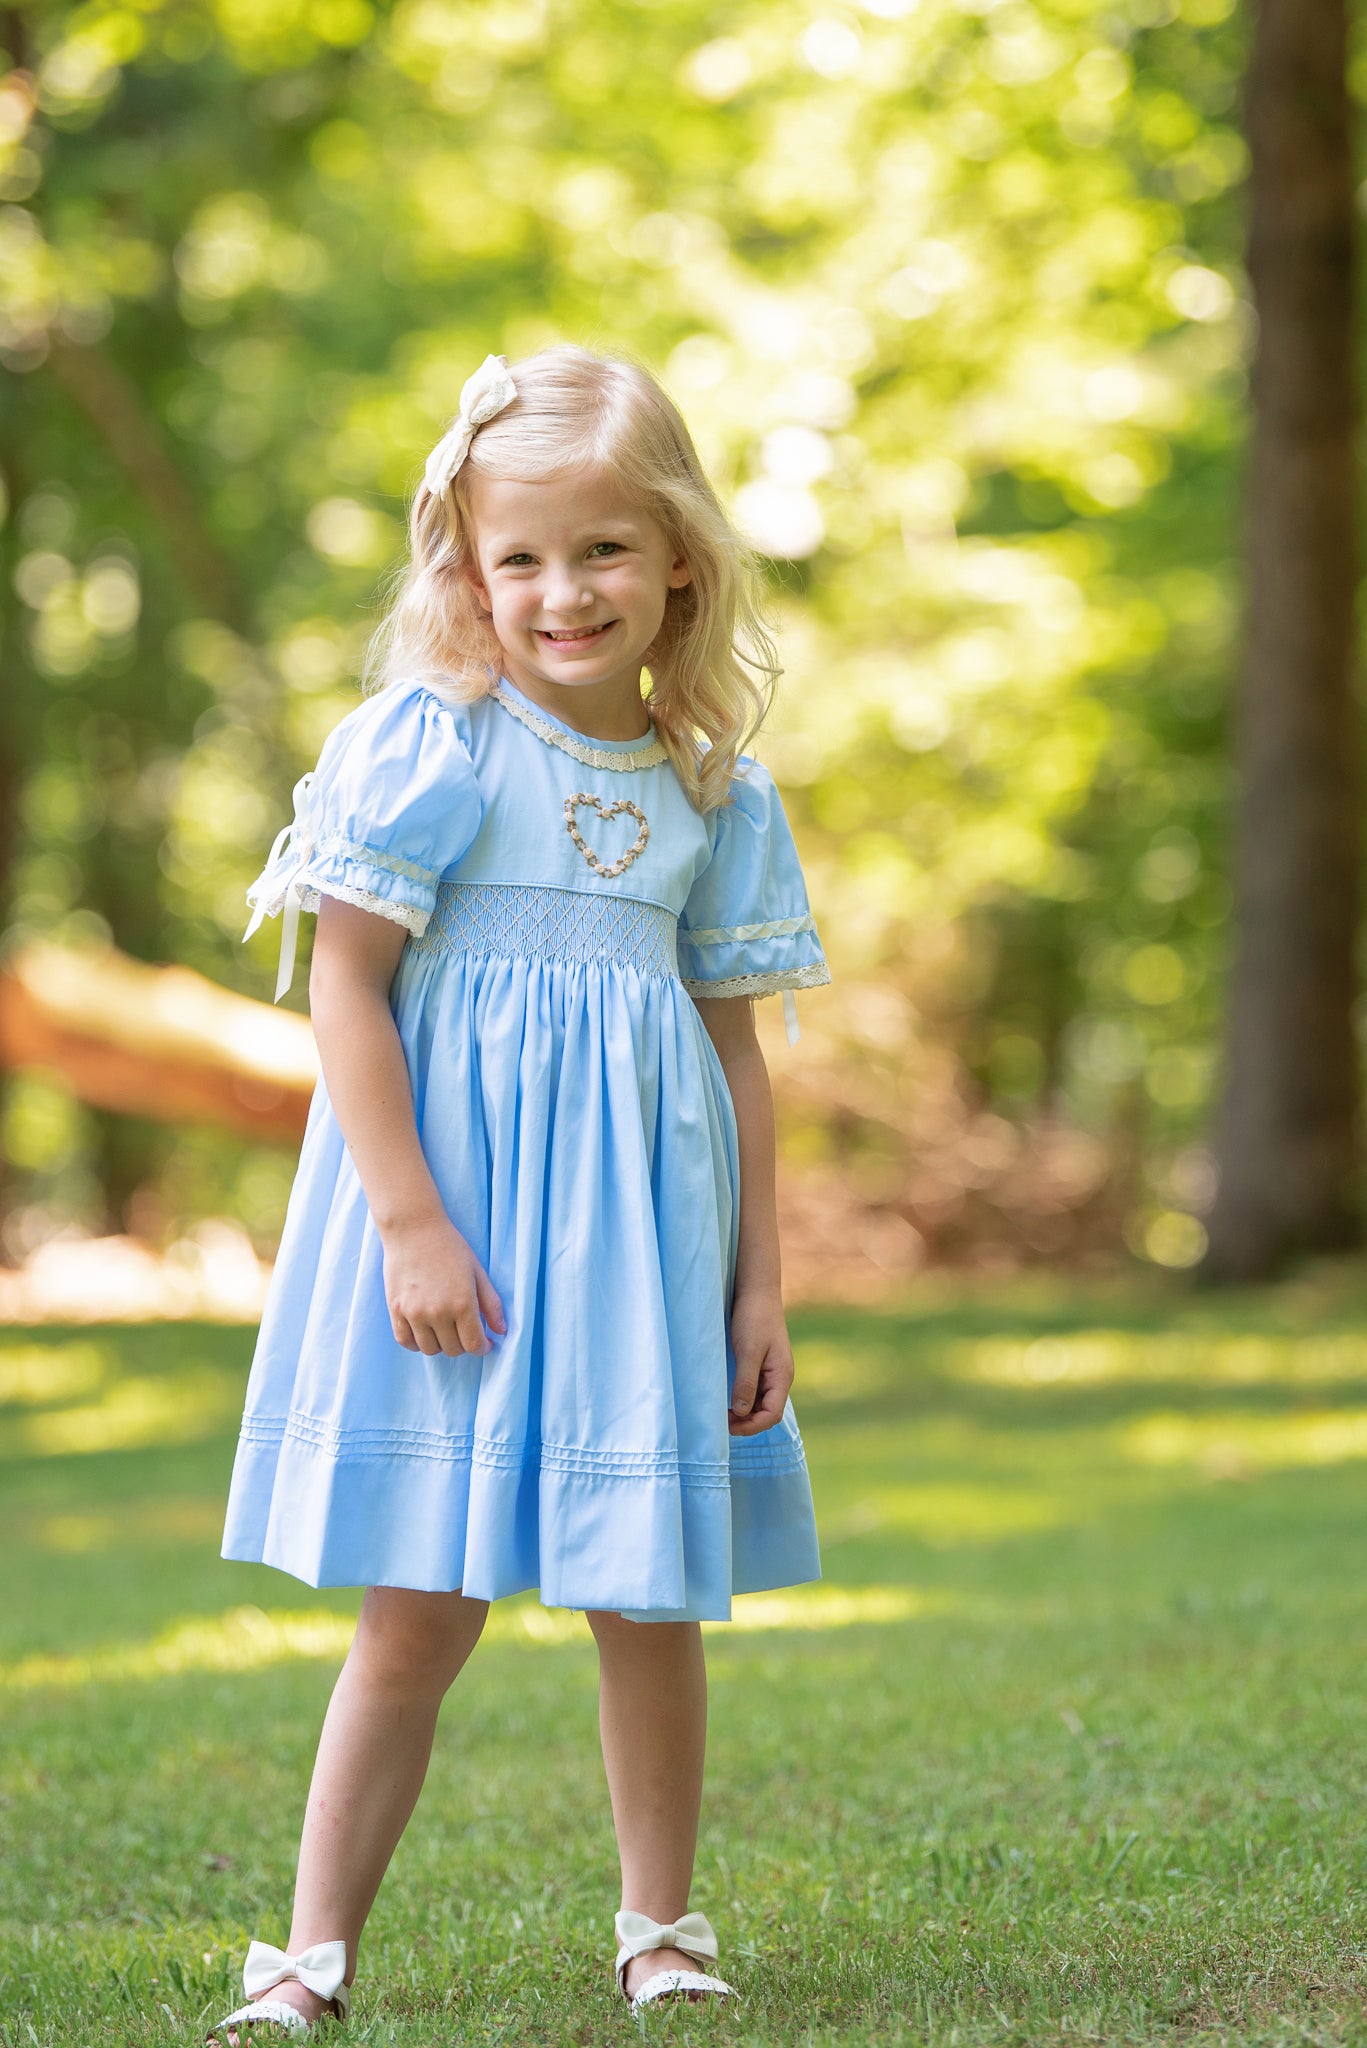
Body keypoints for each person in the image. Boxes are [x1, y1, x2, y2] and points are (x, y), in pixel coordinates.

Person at [208, 343, 831, 2041]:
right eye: (523, 558)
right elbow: (346, 989)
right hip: (460, 1230)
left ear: (681, 557)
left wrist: (759, 1283)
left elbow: (740, 1058)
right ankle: (312, 1954)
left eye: (606, 551)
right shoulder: (432, 744)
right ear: (467, 569)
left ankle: (662, 1928)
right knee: (421, 1601)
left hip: (640, 1239)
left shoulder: (715, 788)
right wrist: (409, 1218)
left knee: (647, 1589)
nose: (566, 592)